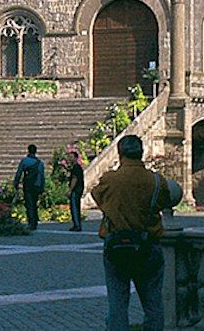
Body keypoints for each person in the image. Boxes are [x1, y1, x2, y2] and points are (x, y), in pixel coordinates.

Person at [91, 134, 165, 331]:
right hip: (148, 245)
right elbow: (165, 201)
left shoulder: (110, 179)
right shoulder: (156, 181)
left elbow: (96, 195)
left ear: (120, 153)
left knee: (117, 304)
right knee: (153, 303)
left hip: (116, 245)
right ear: (141, 153)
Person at [13, 143, 46, 231]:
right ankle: (35, 221)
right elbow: (42, 176)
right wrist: (42, 187)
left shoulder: (25, 161)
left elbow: (19, 172)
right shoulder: (40, 163)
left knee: (29, 204)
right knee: (34, 203)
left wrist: (16, 183)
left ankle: (31, 222)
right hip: (37, 185)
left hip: (28, 185)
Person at [67, 147, 86, 231]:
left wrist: (70, 190)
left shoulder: (76, 168)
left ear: (75, 158)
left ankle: (77, 225)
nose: (69, 159)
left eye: (71, 157)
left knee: (74, 207)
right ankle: (77, 224)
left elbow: (74, 179)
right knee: (76, 207)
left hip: (76, 189)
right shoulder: (77, 167)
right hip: (79, 189)